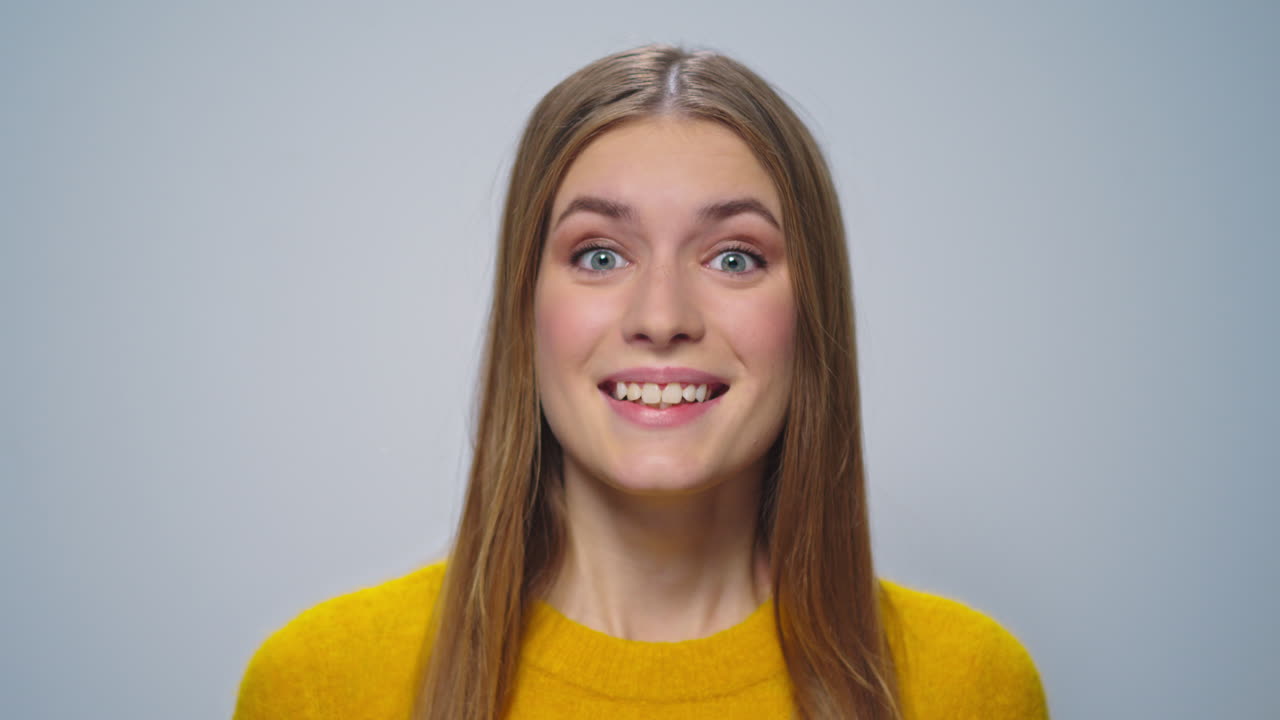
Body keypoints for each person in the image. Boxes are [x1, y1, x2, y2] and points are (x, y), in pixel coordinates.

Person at [233, 44, 1048, 720]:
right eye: (599, 255)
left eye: (734, 257)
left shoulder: (969, 687)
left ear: (813, 314)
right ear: (527, 309)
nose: (661, 316)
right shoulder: (319, 687)